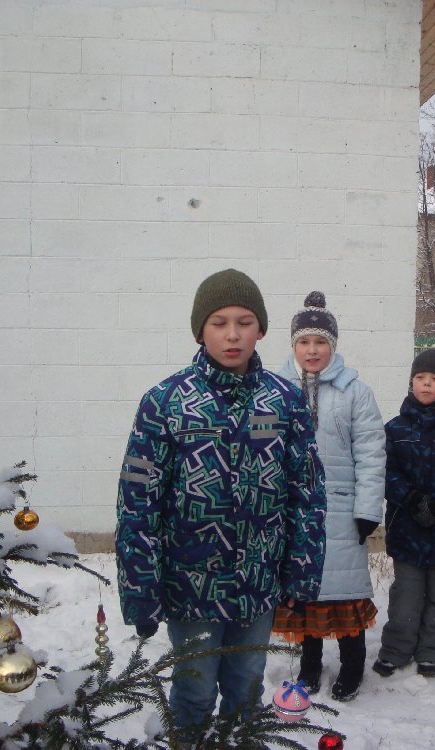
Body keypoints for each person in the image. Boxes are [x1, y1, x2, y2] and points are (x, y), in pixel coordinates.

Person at [114, 268, 327, 745]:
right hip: (190, 587)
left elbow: (308, 493)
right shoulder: (164, 403)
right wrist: (141, 590)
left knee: (246, 689)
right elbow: (137, 503)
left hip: (257, 584)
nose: (233, 334)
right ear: (200, 331)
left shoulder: (285, 401)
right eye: (219, 322)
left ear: (261, 329)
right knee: (192, 694)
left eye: (245, 322)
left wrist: (301, 572)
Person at [272, 291, 386, 702]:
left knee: (345, 592)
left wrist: (368, 508)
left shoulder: (355, 392)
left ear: (332, 345)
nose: (312, 350)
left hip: (341, 510)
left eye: (320, 342)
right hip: (294, 510)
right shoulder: (276, 390)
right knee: (305, 594)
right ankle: (310, 666)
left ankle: (353, 667)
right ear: (293, 346)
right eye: (304, 342)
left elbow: (371, 453)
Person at [372, 348, 435, 680]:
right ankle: (396, 648)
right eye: (420, 378)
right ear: (411, 382)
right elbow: (386, 472)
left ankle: (431, 649)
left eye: (434, 379)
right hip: (408, 528)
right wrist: (413, 500)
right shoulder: (395, 429)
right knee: (406, 596)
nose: (426, 384)